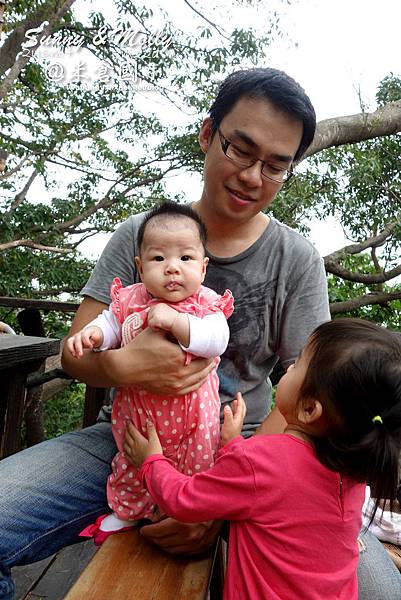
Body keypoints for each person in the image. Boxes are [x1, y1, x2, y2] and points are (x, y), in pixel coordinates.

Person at [0, 67, 399, 599]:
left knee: (379, 592)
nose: (254, 176)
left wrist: (224, 498)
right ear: (208, 134)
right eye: (241, 149)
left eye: (276, 166)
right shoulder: (141, 235)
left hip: (260, 450)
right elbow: (76, 355)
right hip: (130, 437)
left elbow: (316, 389)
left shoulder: (296, 259)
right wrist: (118, 366)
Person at [125, 318, 401, 599]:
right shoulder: (352, 478)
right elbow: (271, 492)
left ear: (309, 408)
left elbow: (183, 499)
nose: (290, 366)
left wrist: (151, 462)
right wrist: (233, 445)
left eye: (300, 363)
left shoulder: (259, 461)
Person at [66, 202, 233, 544]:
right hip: (139, 419)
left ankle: (181, 510)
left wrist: (178, 323)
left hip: (194, 424)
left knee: (195, 469)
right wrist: (94, 336)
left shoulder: (205, 304)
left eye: (185, 259)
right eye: (159, 259)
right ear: (140, 268)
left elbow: (217, 340)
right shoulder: (129, 300)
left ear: (203, 268)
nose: (172, 268)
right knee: (129, 464)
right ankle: (129, 510)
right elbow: (110, 325)